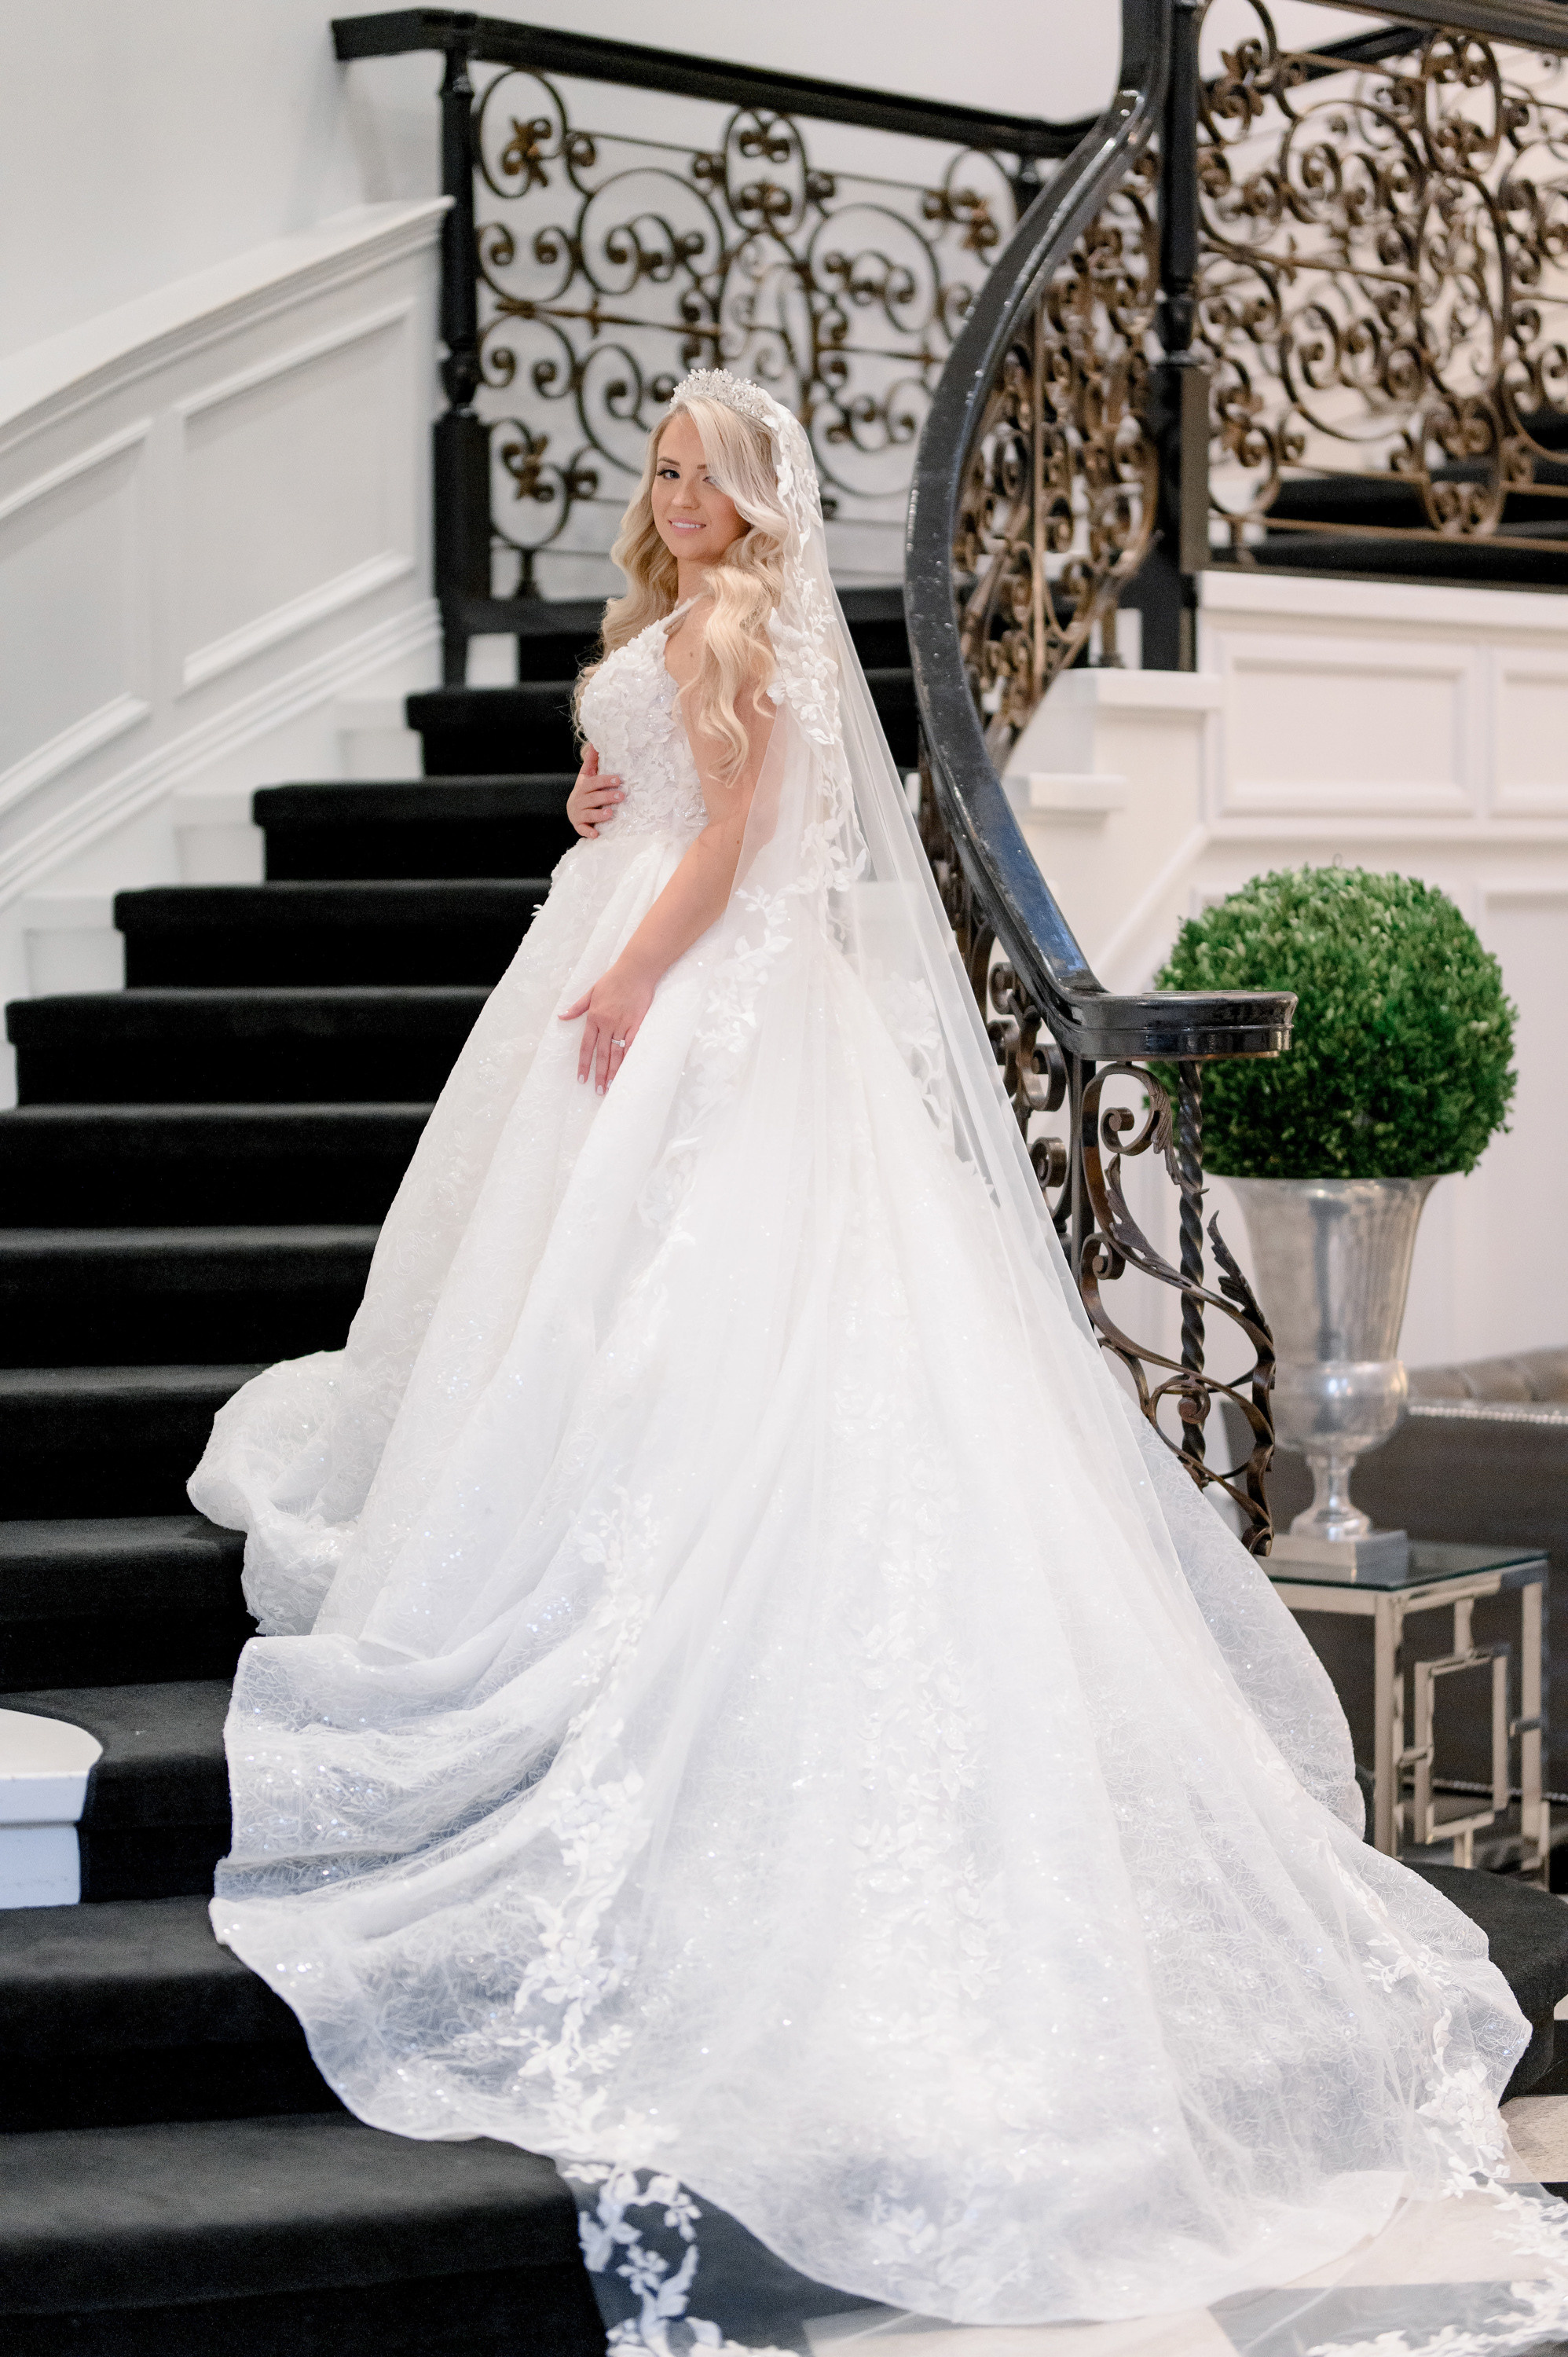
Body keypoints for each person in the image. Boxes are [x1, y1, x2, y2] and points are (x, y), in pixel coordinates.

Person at [191, 370, 1568, 2355]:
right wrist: (601, 804)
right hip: (636, 962)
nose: (668, 495)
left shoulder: (742, 625)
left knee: (697, 1319)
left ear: (756, 507)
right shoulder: (668, 626)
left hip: (688, 998)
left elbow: (740, 832)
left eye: (701, 474)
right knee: (575, 1299)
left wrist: (631, 973)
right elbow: (660, 792)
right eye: (653, 465)